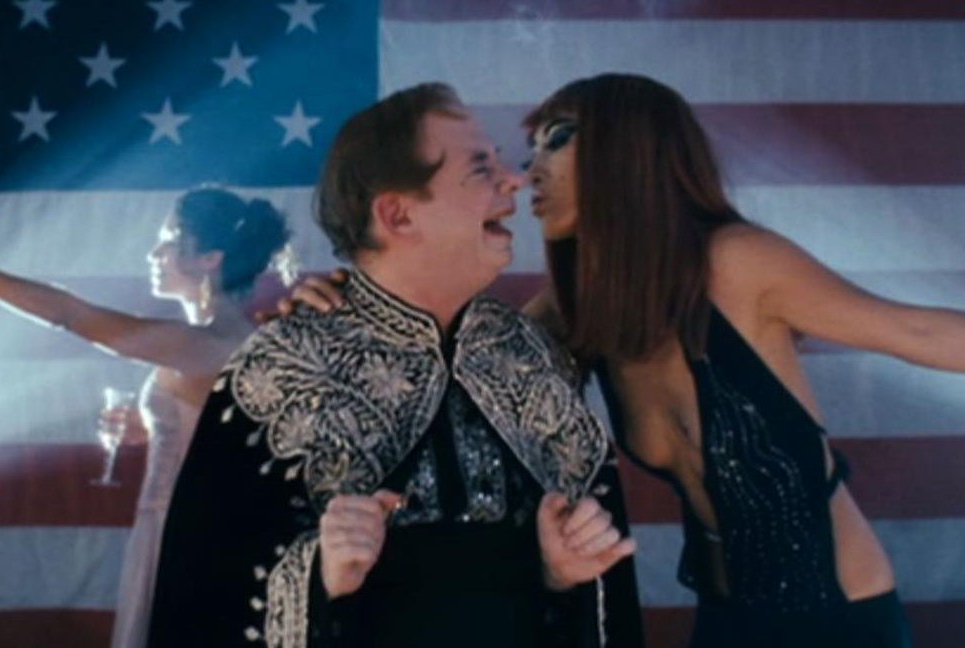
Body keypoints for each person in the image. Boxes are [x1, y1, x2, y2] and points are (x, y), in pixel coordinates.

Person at [281, 74, 965, 647]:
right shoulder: (578, 306)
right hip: (725, 617)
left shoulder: (735, 262)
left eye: (558, 140)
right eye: (532, 147)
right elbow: (457, 381)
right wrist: (350, 301)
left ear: (628, 151)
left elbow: (914, 332)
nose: (529, 173)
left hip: (838, 618)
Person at [148, 83, 643, 648]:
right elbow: (201, 598)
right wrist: (318, 575)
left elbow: (594, 593)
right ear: (398, 215)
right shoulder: (277, 370)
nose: (514, 180)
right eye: (481, 169)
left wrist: (562, 574)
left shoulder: (533, 357)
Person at [0, 186, 293, 648]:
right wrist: (154, 429)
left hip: (189, 536)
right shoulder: (220, 340)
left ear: (210, 258)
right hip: (190, 529)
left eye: (169, 241)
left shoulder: (203, 343)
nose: (154, 253)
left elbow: (69, 315)